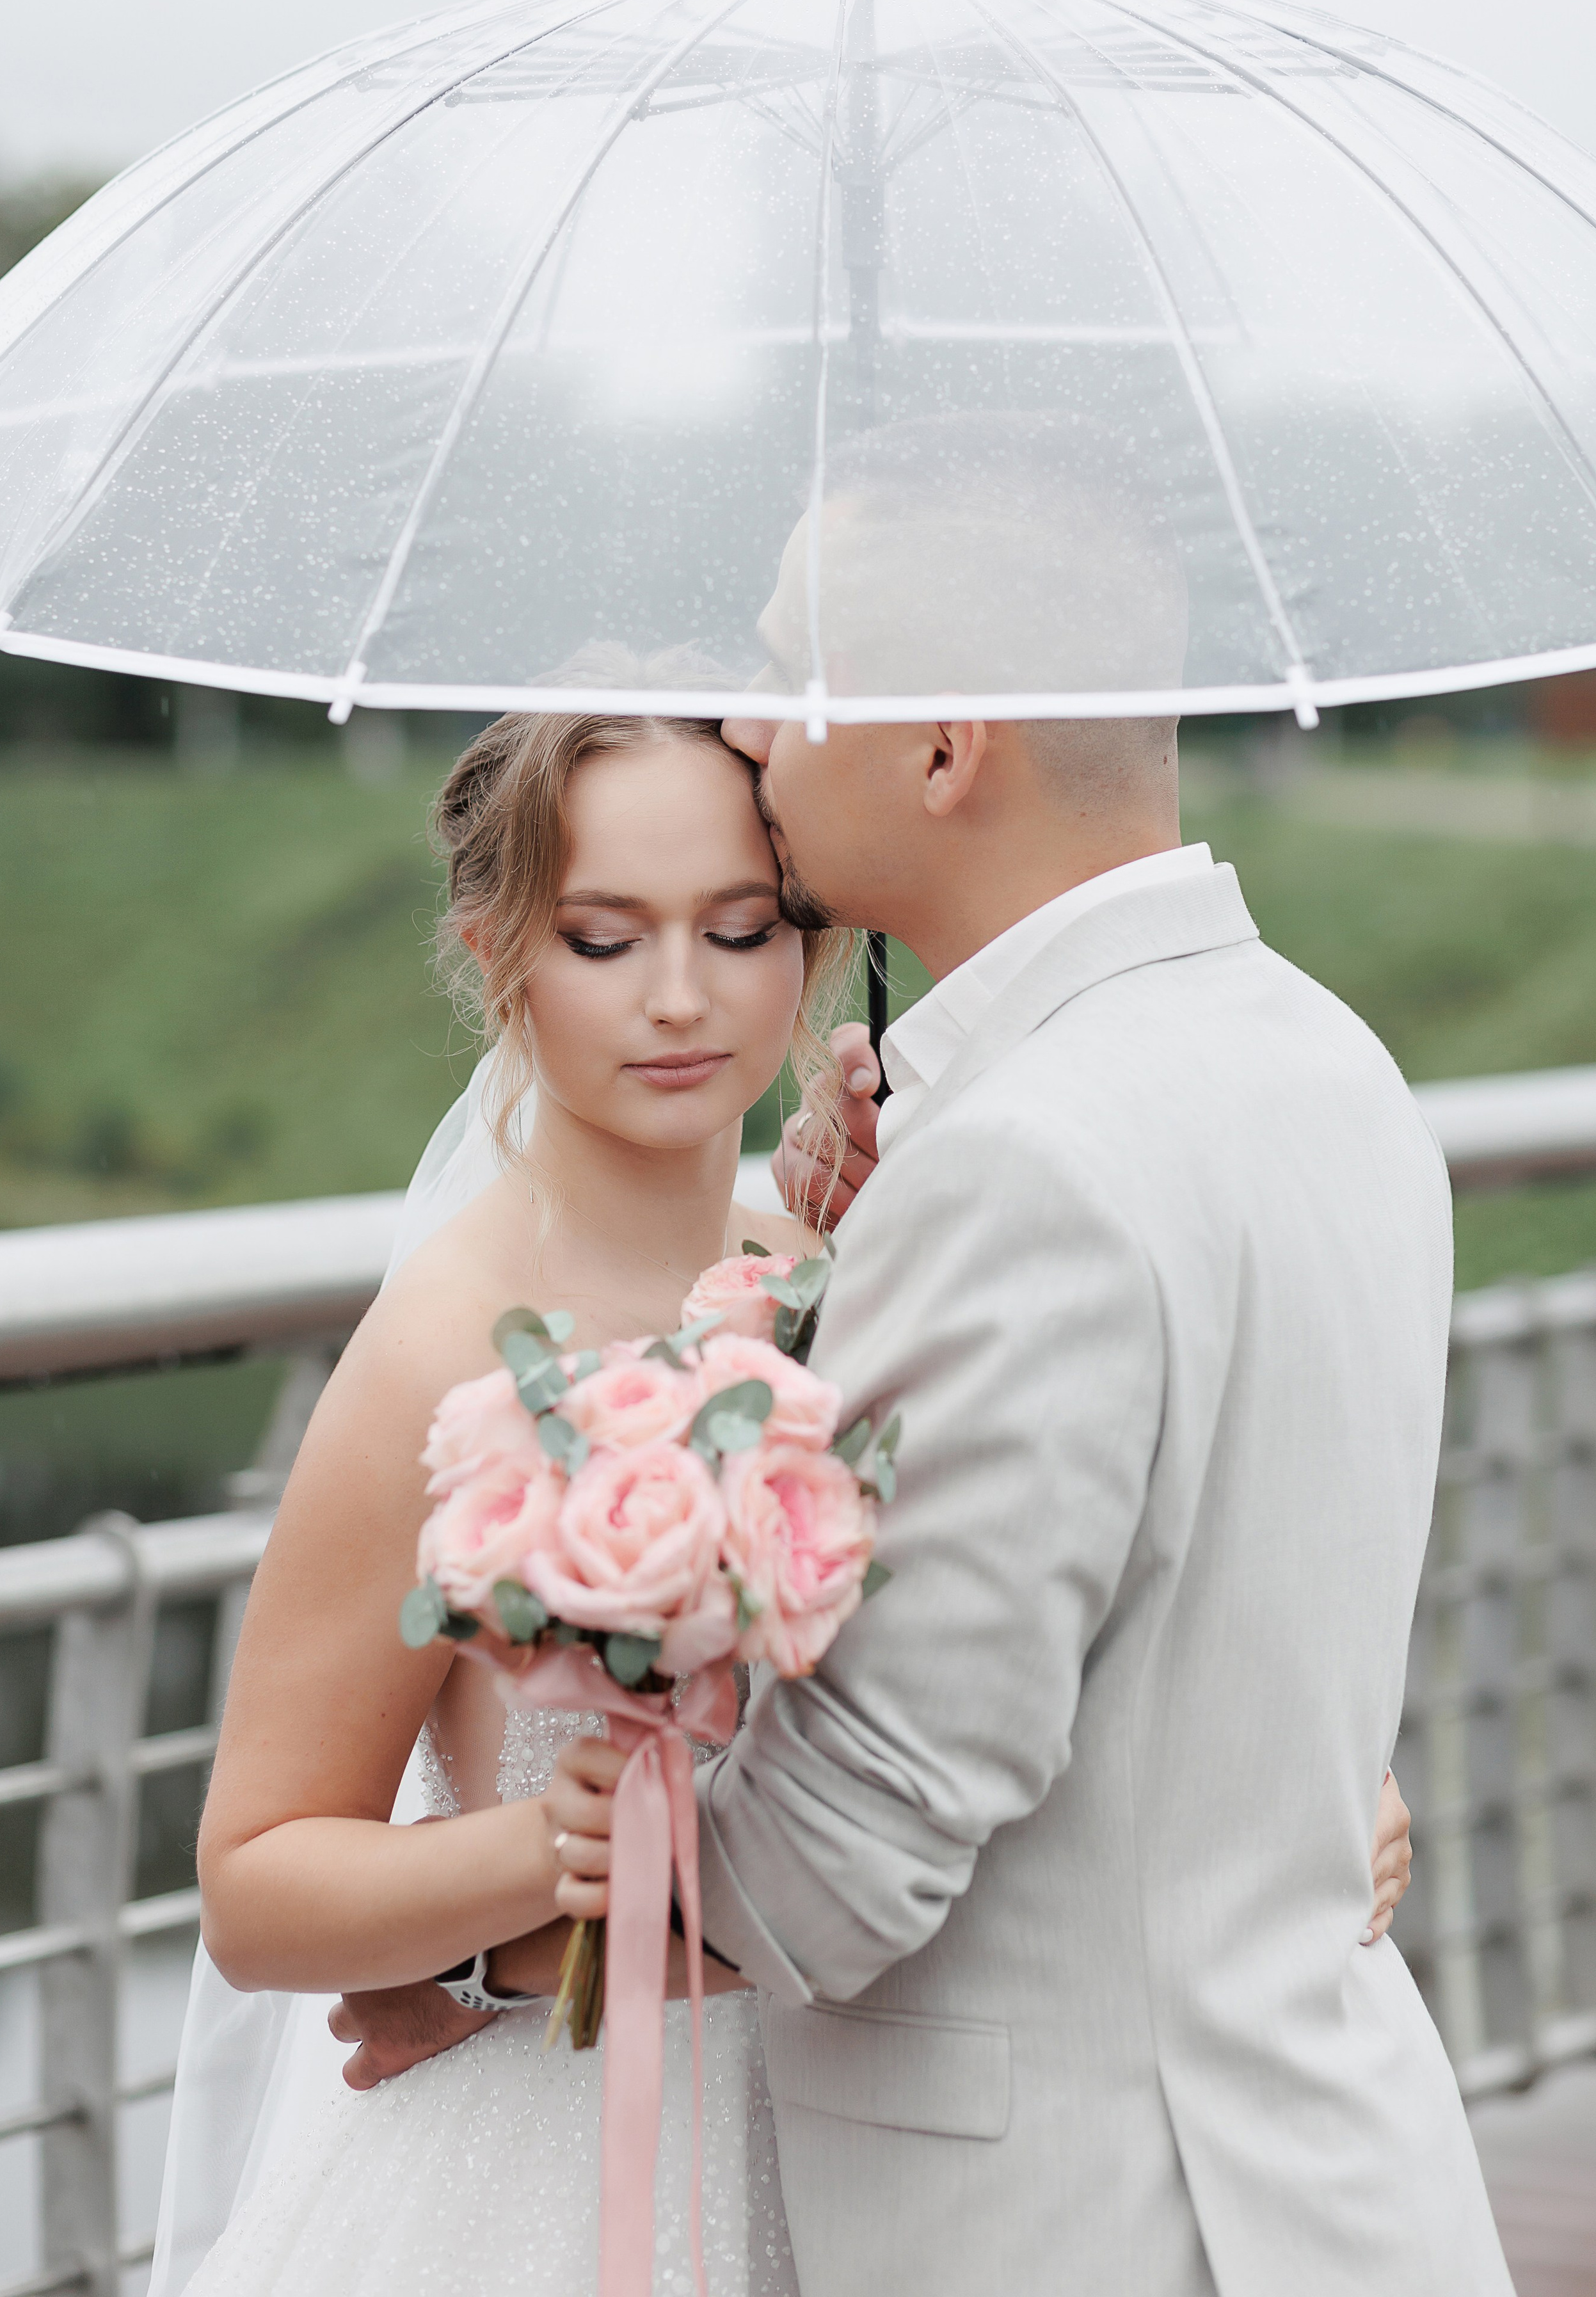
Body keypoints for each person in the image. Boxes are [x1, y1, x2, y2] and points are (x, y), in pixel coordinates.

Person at [151, 646, 1415, 2297]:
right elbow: (254, 1884)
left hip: (865, 2129)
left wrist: (1283, 1801)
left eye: (742, 930)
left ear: (812, 949)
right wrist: (548, 1863)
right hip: (548, 2160)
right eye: (606, 938)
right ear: (499, 956)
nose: (680, 996)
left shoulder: (837, 1264)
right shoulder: (443, 1344)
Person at [547, 414, 1513, 2296]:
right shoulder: (1330, 1059)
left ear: (938, 743)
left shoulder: (1029, 1166)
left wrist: (490, 1946)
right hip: (1330, 2180)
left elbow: (846, 1857)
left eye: (781, 671)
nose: (746, 725)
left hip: (1090, 2226)